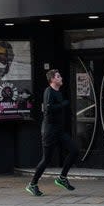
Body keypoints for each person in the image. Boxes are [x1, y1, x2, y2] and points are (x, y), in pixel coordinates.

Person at [26, 68, 79, 196]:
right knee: (46, 159)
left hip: (59, 131)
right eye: (58, 76)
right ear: (52, 79)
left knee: (74, 150)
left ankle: (62, 178)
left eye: (60, 76)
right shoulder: (49, 91)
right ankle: (32, 184)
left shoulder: (58, 92)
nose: (61, 78)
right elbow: (48, 110)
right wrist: (64, 105)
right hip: (50, 131)